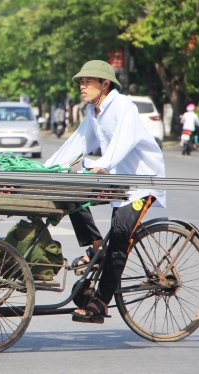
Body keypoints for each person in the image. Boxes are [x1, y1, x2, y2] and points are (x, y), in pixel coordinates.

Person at [43, 60, 166, 323]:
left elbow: (124, 140)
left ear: (105, 84)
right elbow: (78, 141)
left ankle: (101, 301)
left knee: (121, 235)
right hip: (116, 180)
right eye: (80, 82)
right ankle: (98, 247)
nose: (82, 86)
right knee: (71, 195)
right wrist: (48, 169)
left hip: (141, 183)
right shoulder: (93, 112)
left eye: (88, 81)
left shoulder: (124, 107)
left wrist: (101, 165)